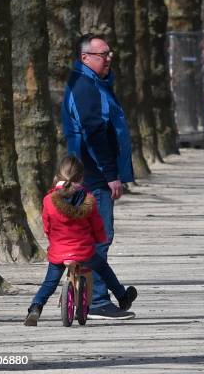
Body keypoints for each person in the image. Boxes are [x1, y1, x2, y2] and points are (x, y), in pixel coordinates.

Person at [61, 33, 135, 320]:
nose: (109, 58)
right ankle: (98, 300)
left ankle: (85, 295)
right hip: (93, 175)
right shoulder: (85, 86)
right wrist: (110, 174)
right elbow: (94, 132)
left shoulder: (93, 83)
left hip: (89, 172)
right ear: (85, 58)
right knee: (99, 237)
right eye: (103, 54)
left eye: (109, 53)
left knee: (92, 237)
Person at [24, 156, 137, 326]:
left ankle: (35, 308)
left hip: (58, 252)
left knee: (49, 283)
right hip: (84, 251)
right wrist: (99, 239)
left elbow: (46, 225)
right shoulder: (88, 199)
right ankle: (123, 298)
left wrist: (52, 239)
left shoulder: (48, 200)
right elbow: (97, 226)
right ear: (82, 178)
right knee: (103, 269)